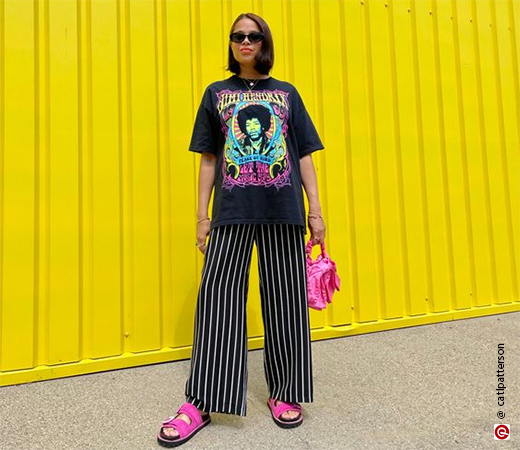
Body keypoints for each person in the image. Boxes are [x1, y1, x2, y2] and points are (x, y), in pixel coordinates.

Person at [157, 11, 326, 448]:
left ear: (264, 42)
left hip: (283, 209)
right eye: (237, 36)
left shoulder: (287, 93)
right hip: (231, 209)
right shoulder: (216, 93)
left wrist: (316, 210)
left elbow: (304, 154)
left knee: (285, 300)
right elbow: (209, 158)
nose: (244, 42)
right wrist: (201, 215)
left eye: (252, 36)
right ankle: (201, 401)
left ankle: (285, 392)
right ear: (231, 44)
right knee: (217, 299)